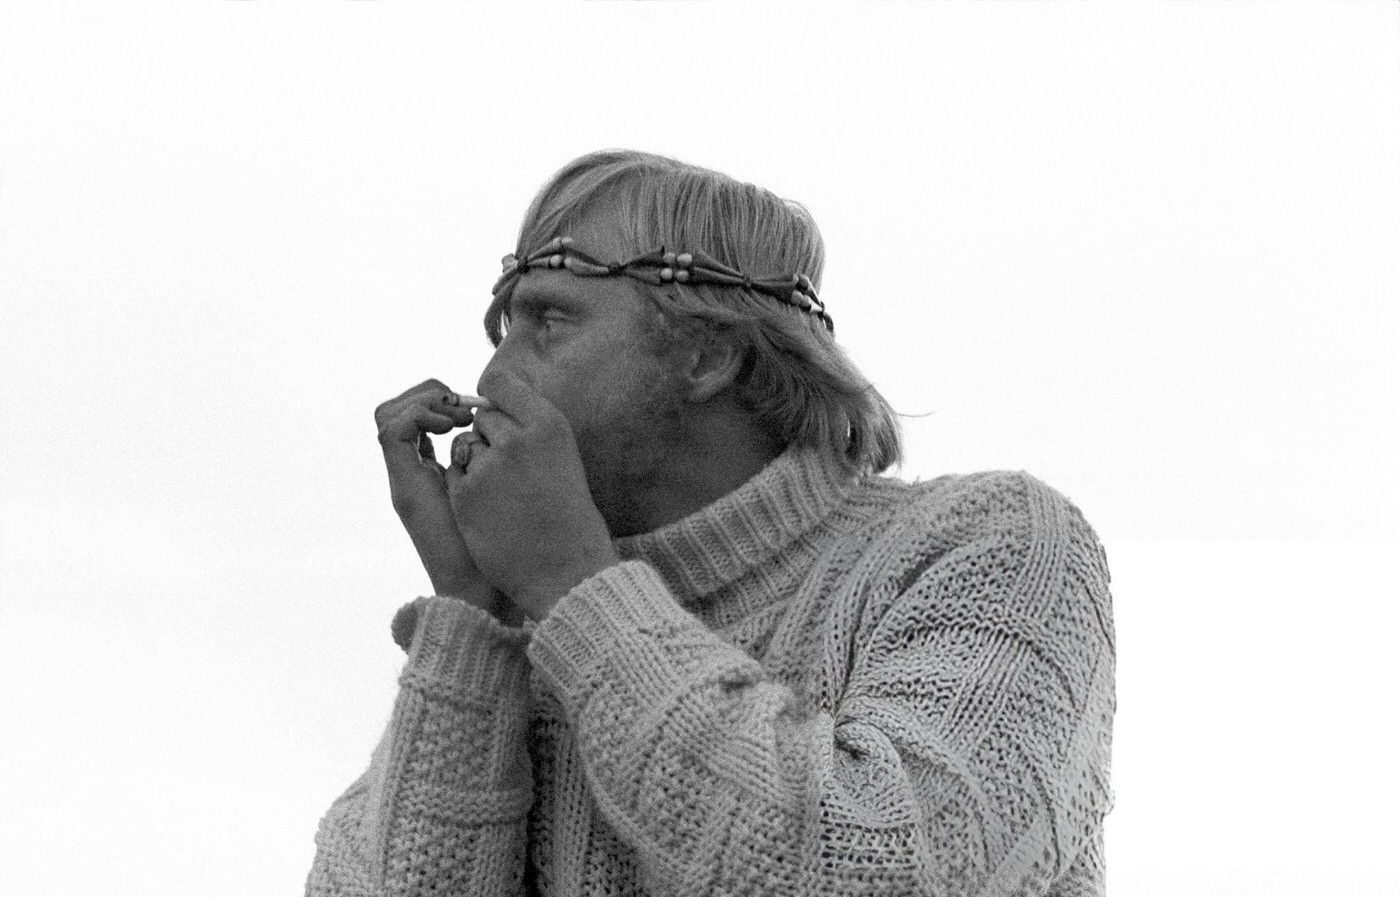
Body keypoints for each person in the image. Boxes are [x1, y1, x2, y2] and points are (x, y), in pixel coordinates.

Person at [305, 150, 1116, 896]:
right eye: (501, 328)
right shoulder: (528, 639)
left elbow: (892, 869)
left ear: (707, 356)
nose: (493, 374)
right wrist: (472, 620)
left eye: (549, 321)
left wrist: (578, 589)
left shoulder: (990, 544)